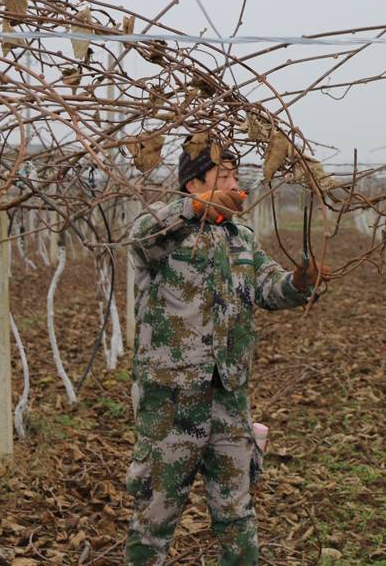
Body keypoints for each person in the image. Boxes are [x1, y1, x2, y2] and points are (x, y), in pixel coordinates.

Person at [124, 146, 329, 565]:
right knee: (156, 512)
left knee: (237, 513)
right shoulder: (166, 233)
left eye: (236, 178)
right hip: (171, 403)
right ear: (193, 183)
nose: (237, 186)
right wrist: (195, 208)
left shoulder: (242, 239)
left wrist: (300, 281)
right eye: (224, 178)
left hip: (229, 400)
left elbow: (270, 288)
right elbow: (140, 237)